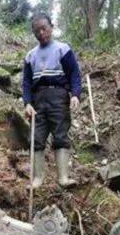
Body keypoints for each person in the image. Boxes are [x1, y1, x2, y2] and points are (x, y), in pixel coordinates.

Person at [22, 13, 81, 189]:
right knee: (37, 138)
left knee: (61, 135)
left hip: (59, 97)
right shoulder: (30, 56)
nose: (41, 33)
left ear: (51, 27)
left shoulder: (63, 49)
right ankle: (37, 179)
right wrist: (27, 103)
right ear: (33, 33)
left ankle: (63, 177)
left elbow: (74, 74)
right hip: (38, 99)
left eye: (44, 28)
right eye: (37, 31)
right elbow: (26, 82)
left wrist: (76, 94)